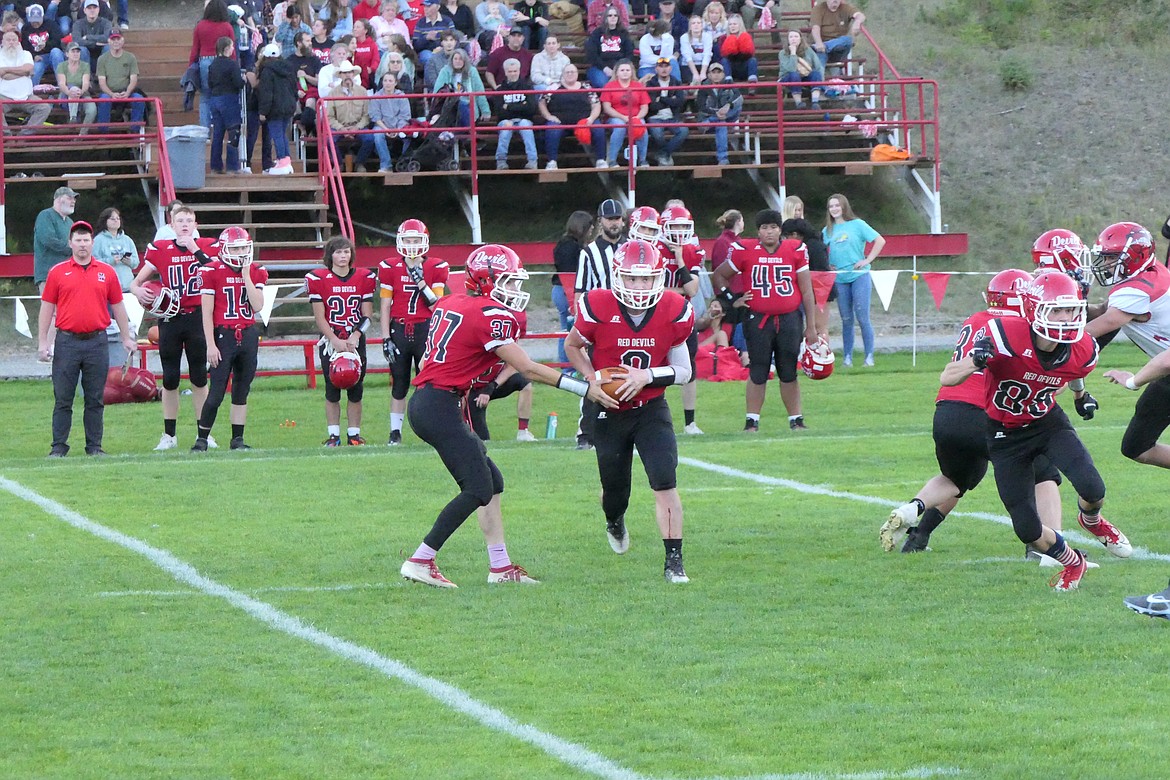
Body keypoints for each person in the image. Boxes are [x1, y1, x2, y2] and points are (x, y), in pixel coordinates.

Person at [400, 245, 616, 588]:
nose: (515, 291)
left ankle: (499, 567)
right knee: (477, 488)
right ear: (486, 280)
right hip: (439, 405)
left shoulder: (450, 302)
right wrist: (584, 388)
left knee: (492, 482)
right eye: (509, 282)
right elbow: (527, 367)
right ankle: (421, 558)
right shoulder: (488, 313)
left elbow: (432, 362)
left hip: (433, 402)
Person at [939, 271, 1131, 591]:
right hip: (1004, 434)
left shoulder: (1083, 348)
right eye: (1057, 310)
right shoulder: (1003, 334)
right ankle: (1073, 562)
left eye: (1070, 310)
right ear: (1032, 309)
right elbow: (948, 377)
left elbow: (1073, 370)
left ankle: (1092, 521)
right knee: (1027, 529)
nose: (1066, 318)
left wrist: (1081, 396)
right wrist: (975, 361)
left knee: (1092, 487)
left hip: (1046, 422)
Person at [881, 269, 1068, 556]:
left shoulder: (976, 320)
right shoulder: (1020, 327)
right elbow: (1043, 381)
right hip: (989, 410)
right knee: (1043, 471)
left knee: (957, 478)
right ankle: (1049, 550)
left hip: (947, 412)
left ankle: (914, 519)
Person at [565, 239, 695, 582]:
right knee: (615, 490)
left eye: (646, 279)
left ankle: (674, 561)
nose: (640, 286)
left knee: (664, 480)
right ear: (618, 277)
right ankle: (614, 519)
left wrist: (647, 376)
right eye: (633, 279)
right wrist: (591, 379)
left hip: (651, 407)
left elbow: (684, 371)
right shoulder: (597, 304)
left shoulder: (674, 307)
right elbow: (572, 345)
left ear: (659, 278)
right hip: (609, 409)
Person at [712, 208, 818, 431]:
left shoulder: (796, 249)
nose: (769, 232)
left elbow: (807, 291)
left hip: (789, 318)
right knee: (758, 369)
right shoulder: (745, 249)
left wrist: (812, 326)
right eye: (764, 228)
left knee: (788, 370)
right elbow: (719, 275)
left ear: (780, 229)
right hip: (758, 319)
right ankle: (752, 421)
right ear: (758, 231)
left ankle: (796, 419)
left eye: (773, 227)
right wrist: (733, 299)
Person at [38, 219, 136, 457]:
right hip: (67, 342)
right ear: (70, 243)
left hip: (96, 342)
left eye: (86, 240)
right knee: (63, 398)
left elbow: (118, 307)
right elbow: (47, 309)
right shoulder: (58, 272)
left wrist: (126, 337)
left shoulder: (106, 272)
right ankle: (58, 447)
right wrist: (43, 342)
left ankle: (94, 446)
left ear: (93, 243)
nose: (82, 244)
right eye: (78, 240)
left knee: (95, 398)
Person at [131, 206, 221, 451]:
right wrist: (138, 290)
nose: (184, 225)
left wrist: (195, 249)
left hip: (198, 319)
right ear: (171, 224)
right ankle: (169, 435)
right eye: (180, 220)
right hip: (170, 319)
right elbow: (136, 282)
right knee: (170, 378)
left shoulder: (208, 246)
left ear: (195, 224)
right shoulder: (161, 250)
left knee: (199, 377)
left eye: (188, 220)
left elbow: (218, 273)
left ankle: (204, 433)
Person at [1089, 223, 1170, 471]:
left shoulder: (1136, 291)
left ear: (1134, 257)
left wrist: (1132, 381)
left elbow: (1105, 323)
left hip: (1165, 364)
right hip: (1166, 369)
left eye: (1112, 257)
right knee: (1136, 446)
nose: (1106, 263)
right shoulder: (1150, 272)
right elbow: (1103, 312)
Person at [192, 227, 267, 452]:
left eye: (244, 247)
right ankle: (202, 439)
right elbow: (206, 312)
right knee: (216, 392)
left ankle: (237, 440)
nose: (241, 252)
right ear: (224, 250)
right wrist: (211, 344)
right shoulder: (211, 270)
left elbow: (258, 306)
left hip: (248, 333)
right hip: (223, 335)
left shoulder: (255, 271)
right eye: (236, 248)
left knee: (241, 390)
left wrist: (245, 277)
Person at [378, 219, 448, 446]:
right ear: (399, 241)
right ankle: (395, 432)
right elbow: (385, 306)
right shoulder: (390, 267)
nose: (411, 244)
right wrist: (386, 337)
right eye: (407, 240)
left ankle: (429, 427)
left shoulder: (435, 266)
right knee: (399, 382)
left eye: (415, 240)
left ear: (424, 241)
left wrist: (421, 283)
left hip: (426, 329)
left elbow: (436, 305)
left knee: (428, 381)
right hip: (399, 329)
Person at [306, 236, 375, 446]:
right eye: (338, 252)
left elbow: (368, 316)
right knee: (332, 388)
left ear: (351, 254)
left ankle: (354, 434)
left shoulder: (364, 277)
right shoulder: (318, 278)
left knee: (356, 387)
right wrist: (334, 339)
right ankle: (334, 435)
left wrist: (355, 336)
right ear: (330, 255)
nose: (343, 256)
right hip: (331, 340)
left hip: (354, 340)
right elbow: (319, 318)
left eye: (346, 252)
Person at [572, 197, 626, 449]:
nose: (614, 223)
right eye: (610, 218)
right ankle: (586, 433)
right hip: (601, 323)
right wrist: (584, 328)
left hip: (630, 321)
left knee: (629, 376)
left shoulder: (632, 248)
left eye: (617, 218)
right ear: (600, 221)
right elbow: (580, 292)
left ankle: (625, 430)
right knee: (594, 376)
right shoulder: (589, 252)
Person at [656, 202, 704, 433]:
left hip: (683, 316)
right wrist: (678, 291)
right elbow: (654, 289)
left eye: (684, 226)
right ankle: (652, 416)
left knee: (689, 368)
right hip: (656, 315)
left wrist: (680, 257)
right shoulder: (653, 248)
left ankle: (690, 422)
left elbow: (693, 289)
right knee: (654, 366)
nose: (679, 231)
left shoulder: (691, 250)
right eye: (675, 225)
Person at [823, 193, 883, 366]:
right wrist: (828, 265)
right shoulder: (828, 230)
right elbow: (819, 250)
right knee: (846, 318)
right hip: (840, 278)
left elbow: (879, 240)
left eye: (837, 205)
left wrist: (867, 260)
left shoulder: (858, 225)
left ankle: (868, 356)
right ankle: (847, 357)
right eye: (831, 206)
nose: (834, 209)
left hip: (859, 276)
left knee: (862, 317)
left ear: (844, 206)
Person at [468, 306, 537, 442]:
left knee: (525, 383)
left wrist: (492, 386)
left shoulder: (508, 334)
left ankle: (523, 432)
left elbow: (514, 365)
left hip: (491, 384)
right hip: (472, 388)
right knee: (482, 440)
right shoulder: (478, 336)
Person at [538, 62, 605, 169]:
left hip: (584, 122)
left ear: (577, 74)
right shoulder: (554, 87)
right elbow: (542, 102)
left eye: (572, 72)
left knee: (598, 128)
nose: (570, 74)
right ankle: (552, 161)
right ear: (563, 74)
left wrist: (591, 118)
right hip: (560, 122)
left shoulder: (586, 87)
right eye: (567, 72)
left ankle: (601, 160)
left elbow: (596, 104)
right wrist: (548, 116)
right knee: (552, 129)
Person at [781, 195, 831, 336]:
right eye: (795, 210)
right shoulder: (784, 230)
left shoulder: (811, 244)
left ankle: (821, 356)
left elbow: (820, 267)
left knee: (817, 327)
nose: (798, 213)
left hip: (817, 286)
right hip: (796, 285)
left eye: (800, 210)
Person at [551, 210, 593, 367]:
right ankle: (568, 366)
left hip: (560, 288)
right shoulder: (571, 247)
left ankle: (567, 366)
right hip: (566, 289)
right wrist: (572, 299)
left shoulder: (565, 243)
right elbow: (570, 274)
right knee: (569, 331)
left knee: (567, 330)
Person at [190, 0, 236, 128]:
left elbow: (195, 48)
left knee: (205, 97)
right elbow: (232, 48)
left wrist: (191, 66)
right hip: (223, 61)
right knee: (221, 94)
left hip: (204, 61)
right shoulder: (227, 26)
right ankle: (221, 128)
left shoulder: (200, 26)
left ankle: (205, 130)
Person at [257, 41, 297, 175]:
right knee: (282, 134)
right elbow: (294, 88)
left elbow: (266, 93)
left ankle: (282, 160)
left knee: (277, 134)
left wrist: (263, 112)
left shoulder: (267, 71)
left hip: (274, 108)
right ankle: (286, 161)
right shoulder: (289, 69)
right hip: (289, 106)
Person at [207, 36, 245, 174]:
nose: (233, 49)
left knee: (217, 134)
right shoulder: (232, 64)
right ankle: (232, 167)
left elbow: (209, 83)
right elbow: (237, 83)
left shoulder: (213, 65)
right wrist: (244, 81)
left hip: (215, 99)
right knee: (233, 132)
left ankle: (215, 167)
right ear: (227, 48)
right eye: (232, 46)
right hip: (229, 99)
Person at [0, 28, 51, 132]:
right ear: (2, 42)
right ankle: (6, 136)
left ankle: (24, 136)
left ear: (18, 41)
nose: (11, 42)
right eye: (8, 40)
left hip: (27, 97)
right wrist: (24, 73)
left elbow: (29, 69)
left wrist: (6, 70)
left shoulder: (26, 54)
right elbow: (3, 75)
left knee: (45, 108)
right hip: (4, 96)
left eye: (14, 40)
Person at [600, 59, 648, 167]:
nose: (625, 72)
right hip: (615, 117)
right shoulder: (609, 86)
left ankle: (642, 159)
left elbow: (644, 107)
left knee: (642, 125)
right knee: (620, 127)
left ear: (632, 72)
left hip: (636, 116)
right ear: (616, 72)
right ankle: (612, 160)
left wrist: (636, 118)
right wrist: (624, 117)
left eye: (627, 70)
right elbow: (607, 108)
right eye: (622, 70)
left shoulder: (638, 86)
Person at [325, 61, 372, 168]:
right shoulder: (332, 93)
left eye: (350, 72)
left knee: (370, 138)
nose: (347, 75)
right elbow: (329, 117)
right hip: (339, 127)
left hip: (358, 126)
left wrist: (357, 127)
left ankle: (359, 163)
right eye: (344, 73)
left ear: (353, 74)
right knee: (328, 139)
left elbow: (366, 115)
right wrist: (341, 128)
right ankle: (338, 165)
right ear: (340, 75)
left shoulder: (362, 91)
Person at [493, 57, 538, 170]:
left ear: (519, 71)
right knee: (505, 129)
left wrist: (508, 106)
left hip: (524, 120)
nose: (513, 74)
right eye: (510, 71)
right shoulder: (500, 90)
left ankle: (532, 161)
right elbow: (499, 111)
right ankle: (501, 161)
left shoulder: (528, 87)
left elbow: (531, 108)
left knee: (525, 126)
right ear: (505, 72)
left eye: (515, 71)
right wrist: (521, 106)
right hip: (506, 121)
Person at [642, 57, 687, 166]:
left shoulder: (676, 82)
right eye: (660, 66)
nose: (664, 69)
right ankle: (665, 154)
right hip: (655, 117)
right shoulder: (650, 84)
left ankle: (662, 153)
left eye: (666, 66)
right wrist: (671, 101)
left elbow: (680, 102)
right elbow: (652, 105)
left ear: (670, 68)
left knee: (684, 131)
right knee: (657, 134)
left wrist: (661, 98)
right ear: (656, 69)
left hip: (672, 117)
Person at [33, 186, 77, 296]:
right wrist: (73, 248)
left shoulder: (70, 222)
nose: (73, 201)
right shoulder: (45, 216)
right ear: (58, 199)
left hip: (68, 273)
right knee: (51, 311)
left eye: (74, 199)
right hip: (48, 274)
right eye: (69, 198)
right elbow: (48, 240)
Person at [696, 61, 740, 166]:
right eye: (713, 72)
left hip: (723, 118)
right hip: (706, 120)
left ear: (723, 74)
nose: (716, 75)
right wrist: (717, 114)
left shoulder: (729, 84)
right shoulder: (703, 88)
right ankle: (723, 159)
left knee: (724, 119)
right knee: (721, 123)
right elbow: (701, 106)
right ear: (709, 75)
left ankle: (723, 159)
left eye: (719, 72)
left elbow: (738, 97)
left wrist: (728, 106)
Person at [430, 48, 488, 125]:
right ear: (452, 60)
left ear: (465, 61)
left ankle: (469, 130)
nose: (457, 61)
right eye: (455, 59)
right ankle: (470, 131)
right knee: (459, 103)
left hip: (469, 107)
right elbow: (437, 92)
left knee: (462, 104)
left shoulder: (472, 71)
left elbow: (479, 91)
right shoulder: (445, 71)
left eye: (460, 59)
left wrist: (485, 111)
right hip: (449, 107)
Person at [366, 70, 410, 171]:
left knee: (409, 135)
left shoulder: (402, 96)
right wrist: (386, 129)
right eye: (385, 80)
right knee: (377, 135)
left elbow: (405, 116)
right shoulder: (376, 97)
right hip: (382, 126)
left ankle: (404, 164)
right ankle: (386, 165)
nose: (387, 83)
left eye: (390, 81)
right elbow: (375, 117)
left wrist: (397, 129)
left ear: (395, 83)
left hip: (399, 126)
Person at [91, 206, 138, 293]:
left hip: (128, 286)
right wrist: (110, 260)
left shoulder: (127, 240)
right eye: (112, 219)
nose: (116, 221)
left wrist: (129, 261)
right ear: (105, 221)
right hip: (107, 287)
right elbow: (93, 262)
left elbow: (136, 263)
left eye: (118, 218)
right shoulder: (98, 240)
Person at [584, 8, 631, 89]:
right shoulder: (597, 33)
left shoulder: (624, 33)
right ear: (605, 18)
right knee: (603, 83)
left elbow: (629, 53)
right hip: (600, 67)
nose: (613, 17)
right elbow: (592, 54)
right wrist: (605, 68)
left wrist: (619, 69)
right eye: (610, 15)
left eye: (615, 15)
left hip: (620, 67)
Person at [810, 0, 864, 70]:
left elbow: (860, 15)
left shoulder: (845, 8)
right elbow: (815, 28)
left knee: (848, 40)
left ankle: (825, 46)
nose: (835, 0)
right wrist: (819, 43)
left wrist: (857, 22)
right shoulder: (818, 9)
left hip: (838, 49)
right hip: (821, 48)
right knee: (818, 68)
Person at [55, 40, 95, 131]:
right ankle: (73, 117)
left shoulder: (85, 65)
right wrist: (69, 92)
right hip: (66, 95)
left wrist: (81, 92)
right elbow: (61, 83)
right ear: (67, 54)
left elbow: (85, 82)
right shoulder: (61, 66)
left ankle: (82, 134)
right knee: (73, 88)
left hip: (82, 93)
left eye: (78, 51)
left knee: (92, 110)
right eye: (73, 51)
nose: (76, 54)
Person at [21, 3, 64, 87]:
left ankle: (62, 84)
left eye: (37, 20)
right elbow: (24, 47)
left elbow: (58, 41)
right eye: (33, 20)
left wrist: (46, 45)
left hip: (51, 55)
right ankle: (30, 92)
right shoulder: (26, 28)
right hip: (37, 57)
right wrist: (33, 56)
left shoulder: (51, 24)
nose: (35, 23)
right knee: (36, 69)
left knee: (56, 52)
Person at [779, 28, 822, 108]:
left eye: (796, 36)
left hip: (805, 75)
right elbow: (791, 69)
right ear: (788, 40)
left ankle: (815, 102)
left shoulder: (808, 50)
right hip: (788, 77)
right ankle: (798, 103)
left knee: (816, 74)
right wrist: (793, 53)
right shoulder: (782, 53)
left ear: (800, 39)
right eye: (791, 37)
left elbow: (818, 65)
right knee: (794, 74)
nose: (793, 39)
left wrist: (821, 81)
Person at [410, 0, 453, 70]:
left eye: (428, 6)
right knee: (429, 58)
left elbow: (454, 39)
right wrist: (426, 38)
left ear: (438, 7)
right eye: (424, 6)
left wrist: (442, 48)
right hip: (426, 51)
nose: (425, 9)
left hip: (445, 50)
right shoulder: (420, 23)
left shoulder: (447, 21)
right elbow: (416, 46)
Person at [718, 14, 756, 87]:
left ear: (740, 25)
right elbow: (721, 54)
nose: (732, 26)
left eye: (735, 24)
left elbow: (751, 52)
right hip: (731, 67)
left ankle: (752, 84)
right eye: (730, 24)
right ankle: (728, 80)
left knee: (753, 60)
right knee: (724, 60)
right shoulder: (723, 38)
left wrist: (744, 54)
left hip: (744, 66)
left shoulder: (746, 36)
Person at [71, 0, 111, 71]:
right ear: (84, 10)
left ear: (98, 9)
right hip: (84, 58)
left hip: (101, 57)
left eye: (94, 8)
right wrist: (95, 43)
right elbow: (77, 41)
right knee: (81, 49)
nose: (92, 10)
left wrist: (88, 37)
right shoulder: (78, 24)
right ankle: (86, 79)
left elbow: (107, 38)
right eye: (89, 8)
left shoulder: (106, 23)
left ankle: (104, 77)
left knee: (108, 47)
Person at [679, 14, 711, 87]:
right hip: (688, 66)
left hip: (703, 65)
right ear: (690, 26)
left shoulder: (707, 36)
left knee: (706, 81)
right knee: (693, 81)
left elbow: (707, 54)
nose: (696, 25)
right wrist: (695, 74)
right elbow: (687, 56)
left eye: (698, 23)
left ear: (702, 26)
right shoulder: (684, 37)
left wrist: (703, 73)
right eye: (693, 23)